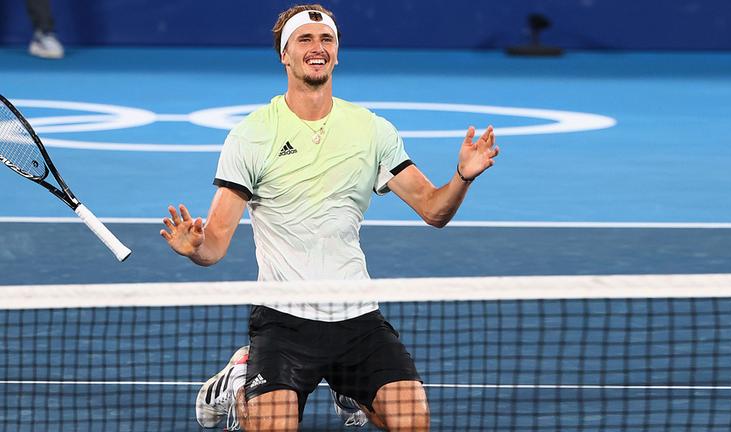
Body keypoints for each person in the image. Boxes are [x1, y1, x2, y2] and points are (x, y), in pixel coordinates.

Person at [161, 4, 499, 431]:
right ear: (285, 55)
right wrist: (195, 248)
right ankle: (241, 380)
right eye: (304, 39)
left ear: (337, 53)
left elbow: (434, 209)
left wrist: (462, 177)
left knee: (413, 422)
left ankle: (349, 386)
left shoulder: (372, 130)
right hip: (283, 319)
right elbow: (215, 244)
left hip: (356, 316)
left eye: (327, 40)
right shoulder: (251, 136)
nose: (317, 48)